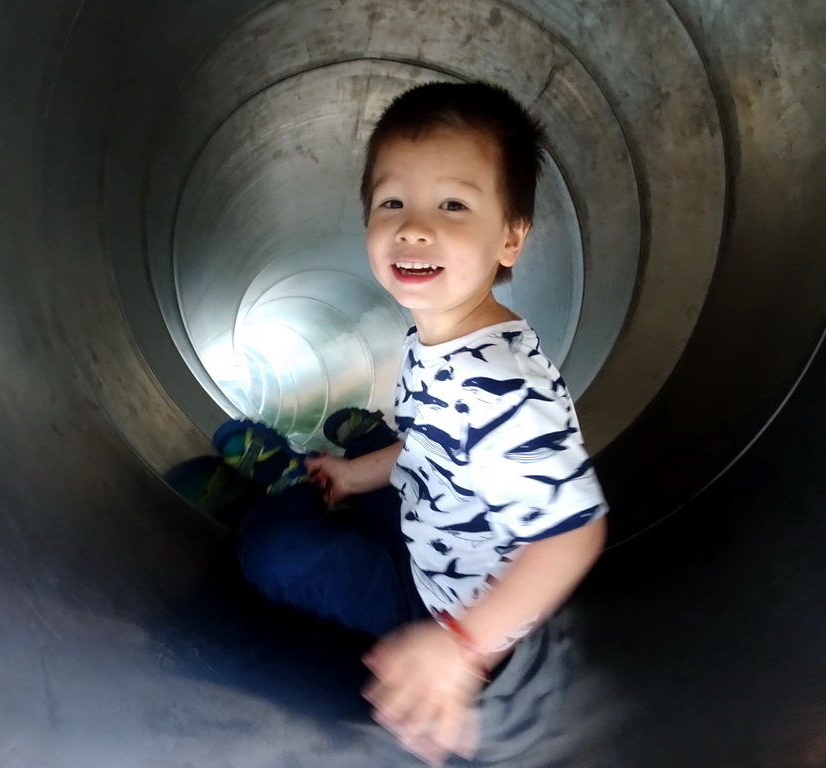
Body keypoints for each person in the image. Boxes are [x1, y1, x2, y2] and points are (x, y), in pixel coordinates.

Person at [208, 81, 608, 765]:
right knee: (368, 484)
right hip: (418, 522)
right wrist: (355, 473)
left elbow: (573, 535)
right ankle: (335, 461)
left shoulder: (505, 389)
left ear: (510, 237)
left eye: (453, 204)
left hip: (435, 601)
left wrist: (461, 645)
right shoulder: (442, 335)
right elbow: (430, 445)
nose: (414, 226)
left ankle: (283, 488)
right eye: (393, 201)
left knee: (271, 557)